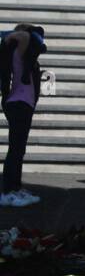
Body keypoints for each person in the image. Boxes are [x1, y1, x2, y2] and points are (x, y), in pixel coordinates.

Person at [0, 24, 47, 207]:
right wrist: (10, 35)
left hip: (22, 103)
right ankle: (9, 190)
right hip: (19, 103)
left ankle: (15, 187)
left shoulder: (25, 55)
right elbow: (22, 36)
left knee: (19, 149)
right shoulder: (19, 52)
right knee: (15, 149)